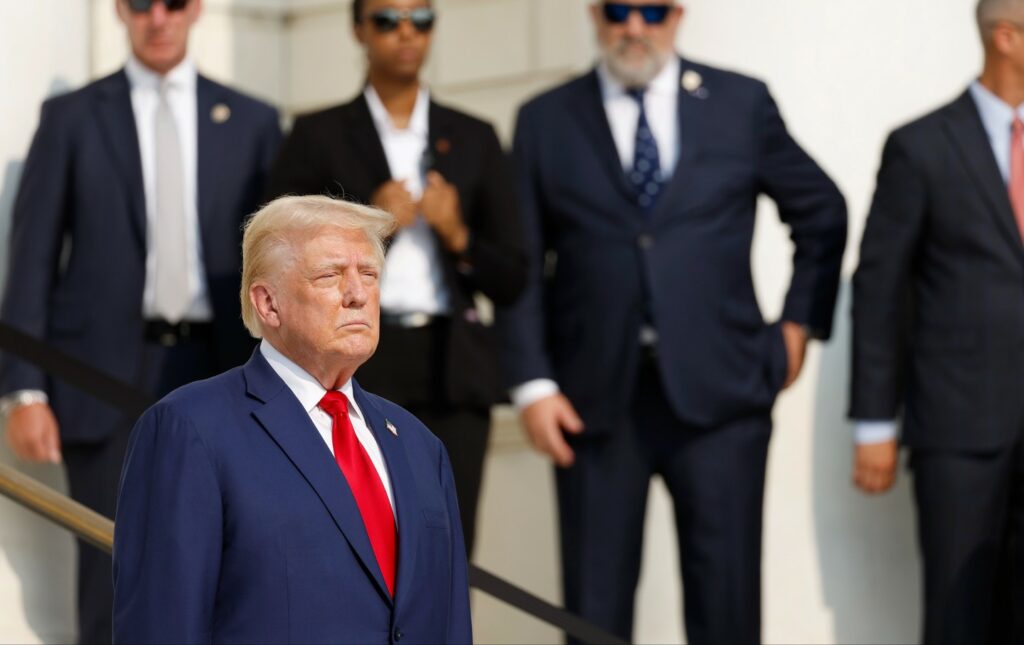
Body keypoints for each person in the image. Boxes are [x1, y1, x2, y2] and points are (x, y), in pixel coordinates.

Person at [497, 1, 847, 642]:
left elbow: (822, 212)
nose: (635, 26)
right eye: (619, 10)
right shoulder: (545, 119)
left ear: (678, 15)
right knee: (592, 614)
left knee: (727, 608)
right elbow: (521, 265)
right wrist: (533, 385)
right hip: (591, 404)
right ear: (594, 16)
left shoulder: (739, 103)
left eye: (652, 10)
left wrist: (797, 327)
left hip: (724, 398)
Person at [0, 0, 280, 641]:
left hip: (223, 374)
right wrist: (23, 388)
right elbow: (33, 259)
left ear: (197, 9)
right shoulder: (71, 118)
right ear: (120, 13)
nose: (158, 18)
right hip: (99, 381)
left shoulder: (255, 121)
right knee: (112, 576)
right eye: (140, 4)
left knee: (228, 571)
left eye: (173, 2)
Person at [112, 195, 471, 644]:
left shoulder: (420, 446)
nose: (358, 294)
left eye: (369, 275)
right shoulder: (190, 429)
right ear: (268, 304)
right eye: (330, 275)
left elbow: (450, 624)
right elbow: (162, 629)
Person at [266, 0, 525, 556]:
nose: (405, 33)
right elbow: (277, 253)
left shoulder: (474, 137)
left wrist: (459, 236)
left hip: (453, 366)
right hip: (353, 360)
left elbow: (514, 274)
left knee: (449, 548)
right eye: (386, 19)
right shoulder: (318, 135)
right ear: (358, 29)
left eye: (421, 19)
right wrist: (369, 220)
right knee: (352, 540)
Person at [850, 0, 1024, 640]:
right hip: (959, 429)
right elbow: (879, 288)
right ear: (1006, 38)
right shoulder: (921, 146)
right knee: (960, 612)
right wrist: (874, 421)